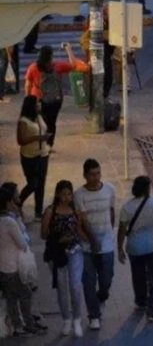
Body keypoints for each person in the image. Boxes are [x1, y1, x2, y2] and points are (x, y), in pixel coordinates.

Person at [117, 175, 153, 323]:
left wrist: (120, 248)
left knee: (138, 276)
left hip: (135, 247)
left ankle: (141, 301)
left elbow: (122, 230)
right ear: (148, 188)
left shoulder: (127, 206)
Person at [40, 180, 87, 337]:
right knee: (61, 287)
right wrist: (58, 237)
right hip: (57, 253)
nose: (67, 197)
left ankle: (77, 319)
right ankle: (66, 319)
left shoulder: (75, 210)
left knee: (75, 285)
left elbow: (80, 229)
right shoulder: (50, 211)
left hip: (75, 250)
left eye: (69, 194)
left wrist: (90, 242)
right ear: (57, 194)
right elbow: (43, 234)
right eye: (63, 194)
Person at [74, 158, 117, 330]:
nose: (96, 177)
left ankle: (102, 297)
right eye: (92, 174)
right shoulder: (79, 195)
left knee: (107, 277)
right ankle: (93, 315)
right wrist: (92, 240)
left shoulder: (110, 189)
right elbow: (82, 220)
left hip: (106, 242)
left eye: (98, 173)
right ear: (85, 175)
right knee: (89, 281)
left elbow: (112, 211)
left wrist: (109, 232)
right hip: (87, 244)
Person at [0, 185, 45, 336]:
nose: (18, 201)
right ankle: (27, 324)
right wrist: (18, 219)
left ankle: (17, 325)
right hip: (13, 265)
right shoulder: (9, 221)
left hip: (4, 266)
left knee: (11, 297)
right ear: (8, 202)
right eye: (15, 199)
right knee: (25, 294)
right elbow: (23, 242)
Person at [24, 43, 86, 149]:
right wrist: (68, 49)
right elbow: (73, 65)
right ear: (50, 57)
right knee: (51, 123)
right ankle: (49, 145)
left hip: (38, 100)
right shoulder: (57, 66)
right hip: (55, 100)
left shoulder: (33, 67)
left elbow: (28, 84)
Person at [16, 95, 51, 220]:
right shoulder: (23, 121)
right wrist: (38, 138)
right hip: (29, 156)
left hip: (43, 154)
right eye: (37, 103)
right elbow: (21, 140)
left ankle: (38, 211)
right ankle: (18, 202)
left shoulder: (39, 117)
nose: (39, 105)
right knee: (33, 184)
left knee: (41, 184)